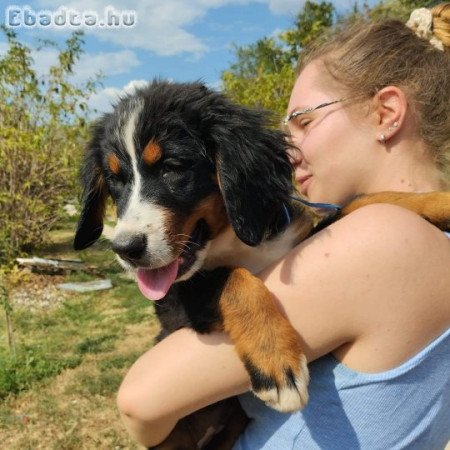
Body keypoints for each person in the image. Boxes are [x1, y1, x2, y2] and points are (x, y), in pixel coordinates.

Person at [117, 4, 450, 449]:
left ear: (387, 112)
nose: (287, 149)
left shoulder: (382, 239)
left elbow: (140, 402)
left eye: (304, 121)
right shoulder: (422, 231)